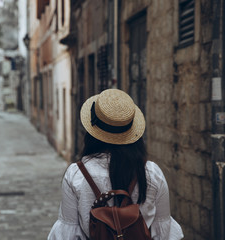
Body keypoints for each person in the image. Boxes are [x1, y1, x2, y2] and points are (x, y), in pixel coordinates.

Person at [48, 89, 184, 240]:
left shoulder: (76, 174)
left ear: (92, 132)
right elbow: (163, 232)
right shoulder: (151, 173)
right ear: (133, 133)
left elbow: (68, 233)